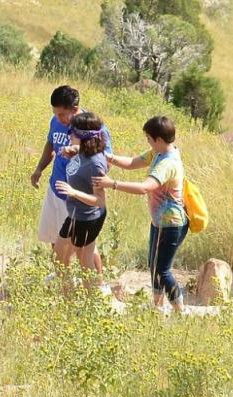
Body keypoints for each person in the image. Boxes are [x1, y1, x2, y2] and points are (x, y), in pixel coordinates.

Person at [94, 116, 186, 312]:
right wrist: (107, 156)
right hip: (160, 222)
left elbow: (145, 188)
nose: (148, 143)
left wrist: (113, 184)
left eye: (149, 139)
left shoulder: (167, 163)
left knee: (163, 269)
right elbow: (132, 163)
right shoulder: (158, 152)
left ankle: (180, 309)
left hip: (171, 223)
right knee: (153, 265)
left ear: (159, 139)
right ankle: (157, 306)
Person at [29, 85, 111, 268]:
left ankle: (98, 285)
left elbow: (105, 163)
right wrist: (39, 169)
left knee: (85, 247)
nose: (58, 118)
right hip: (56, 189)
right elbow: (50, 144)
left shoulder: (93, 126)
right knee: (55, 239)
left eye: (62, 114)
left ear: (74, 110)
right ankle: (63, 278)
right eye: (55, 114)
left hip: (78, 196)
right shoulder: (56, 121)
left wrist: (78, 152)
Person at [51, 112, 110, 292]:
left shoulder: (95, 163)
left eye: (72, 132)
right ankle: (72, 296)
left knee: (83, 262)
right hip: (77, 213)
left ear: (83, 136)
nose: (69, 135)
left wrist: (73, 192)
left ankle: (88, 299)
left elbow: (100, 200)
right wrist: (72, 153)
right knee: (61, 256)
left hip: (87, 217)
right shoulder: (83, 151)